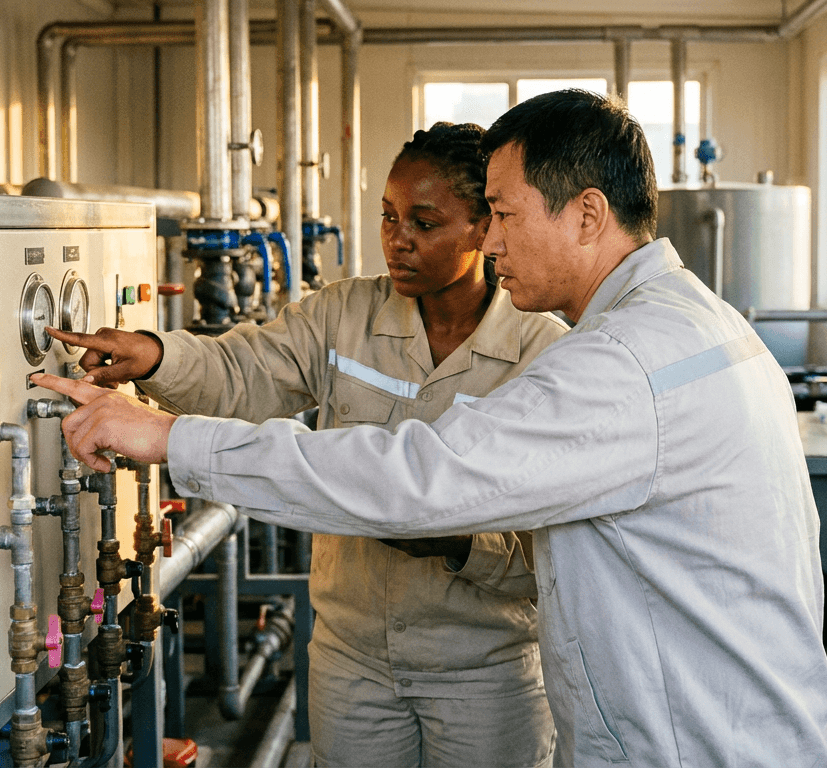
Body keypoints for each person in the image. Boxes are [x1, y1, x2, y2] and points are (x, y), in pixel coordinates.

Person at [36, 89, 827, 767]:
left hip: (680, 738)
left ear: (588, 215)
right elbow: (255, 371)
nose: (492, 241)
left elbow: (418, 479)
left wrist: (171, 440)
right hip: (701, 723)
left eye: (502, 214)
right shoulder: (695, 325)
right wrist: (159, 366)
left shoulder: (615, 364)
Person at [47, 123, 564, 768]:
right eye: (388, 216)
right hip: (354, 662)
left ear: (485, 228)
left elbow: (555, 547)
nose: (397, 239)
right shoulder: (345, 315)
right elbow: (241, 372)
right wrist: (153, 355)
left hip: (485, 672)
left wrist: (459, 543)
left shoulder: (542, 354)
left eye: (424, 223)